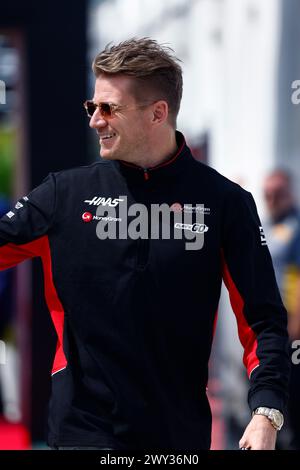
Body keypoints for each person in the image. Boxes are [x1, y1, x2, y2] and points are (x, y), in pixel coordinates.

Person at [0, 38, 290, 451]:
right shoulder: (63, 195)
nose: (94, 121)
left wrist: (266, 412)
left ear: (158, 113)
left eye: (108, 109)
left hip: (177, 438)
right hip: (82, 432)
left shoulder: (225, 203)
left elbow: (263, 321)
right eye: (91, 107)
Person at [263, 169, 300, 449]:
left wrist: (294, 326)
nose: (272, 199)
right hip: (270, 329)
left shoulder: (295, 228)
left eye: (278, 194)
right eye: (268, 194)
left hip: (291, 332)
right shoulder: (267, 226)